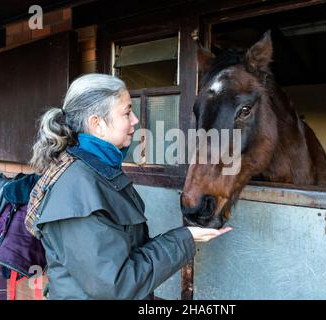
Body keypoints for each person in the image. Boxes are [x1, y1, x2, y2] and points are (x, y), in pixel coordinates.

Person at [28, 73, 232, 300]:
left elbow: (126, 254)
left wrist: (186, 236)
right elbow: (117, 285)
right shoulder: (76, 188)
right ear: (97, 124)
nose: (135, 120)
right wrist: (184, 239)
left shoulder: (98, 172)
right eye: (126, 112)